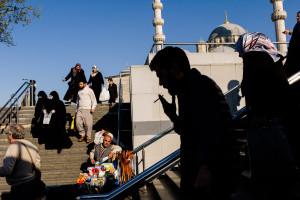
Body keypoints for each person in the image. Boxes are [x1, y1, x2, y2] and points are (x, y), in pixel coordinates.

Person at [149, 46, 241, 199]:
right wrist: (173, 116)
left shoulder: (198, 86)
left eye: (161, 75)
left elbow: (210, 130)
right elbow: (192, 131)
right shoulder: (189, 88)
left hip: (211, 175)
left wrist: (205, 168)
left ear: (174, 68)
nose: (160, 83)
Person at [235, 32, 299, 199]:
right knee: (284, 173)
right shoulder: (272, 56)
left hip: (266, 121)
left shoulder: (253, 56)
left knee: (268, 175)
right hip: (280, 116)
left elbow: (257, 84)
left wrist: (258, 112)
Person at [0, 124, 41, 200]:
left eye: (8, 134)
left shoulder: (13, 147)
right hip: (32, 184)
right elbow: (37, 168)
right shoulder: (32, 145)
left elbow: (7, 170)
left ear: (10, 135)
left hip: (20, 188)